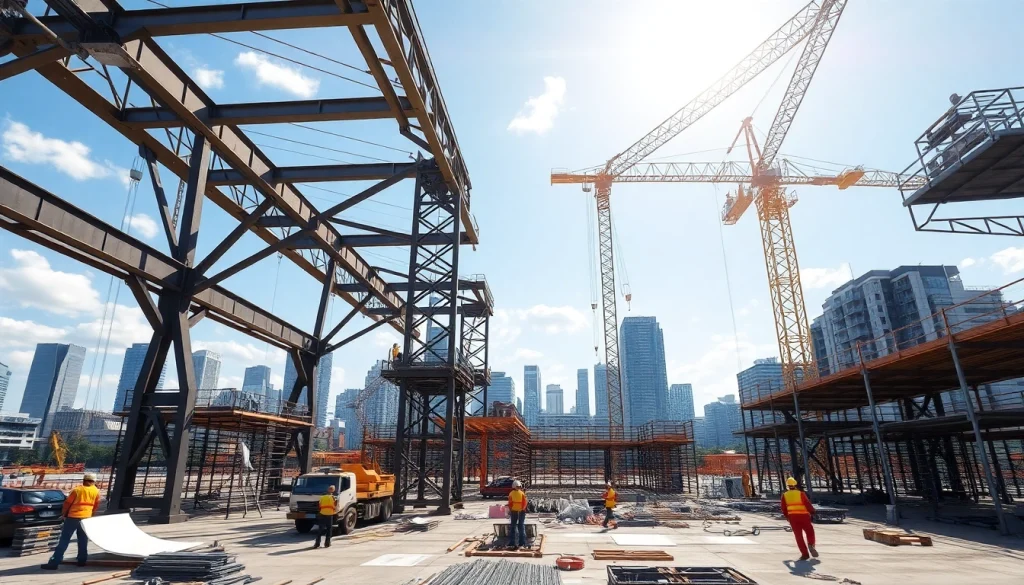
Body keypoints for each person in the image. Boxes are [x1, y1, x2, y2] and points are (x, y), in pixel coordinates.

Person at [41, 472, 100, 570]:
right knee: (83, 540)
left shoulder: (77, 490)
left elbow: (67, 503)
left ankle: (54, 562)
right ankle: (82, 561)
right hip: (86, 518)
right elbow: (96, 505)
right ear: (94, 481)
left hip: (73, 517)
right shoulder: (96, 491)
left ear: (84, 480)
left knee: (64, 539)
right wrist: (90, 514)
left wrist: (63, 514)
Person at [781, 477, 817, 561]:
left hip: (793, 518)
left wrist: (787, 517)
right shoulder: (801, 494)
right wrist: (812, 511)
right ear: (795, 485)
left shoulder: (785, 495)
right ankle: (811, 544)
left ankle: (805, 554)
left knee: (798, 536)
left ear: (788, 486)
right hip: (804, 516)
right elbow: (807, 503)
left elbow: (783, 508)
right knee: (810, 532)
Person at [314, 484, 337, 549]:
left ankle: (317, 544)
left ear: (328, 490)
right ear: (333, 490)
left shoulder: (322, 497)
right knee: (329, 529)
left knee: (320, 529)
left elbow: (319, 505)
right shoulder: (333, 498)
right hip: (329, 514)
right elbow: (335, 506)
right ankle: (327, 543)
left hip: (322, 514)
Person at [506, 480, 528, 550]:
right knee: (521, 526)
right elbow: (525, 502)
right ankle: (522, 542)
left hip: (514, 511)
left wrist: (510, 510)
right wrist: (522, 509)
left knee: (513, 526)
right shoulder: (522, 493)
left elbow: (510, 503)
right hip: (521, 511)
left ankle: (512, 542)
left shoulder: (511, 493)